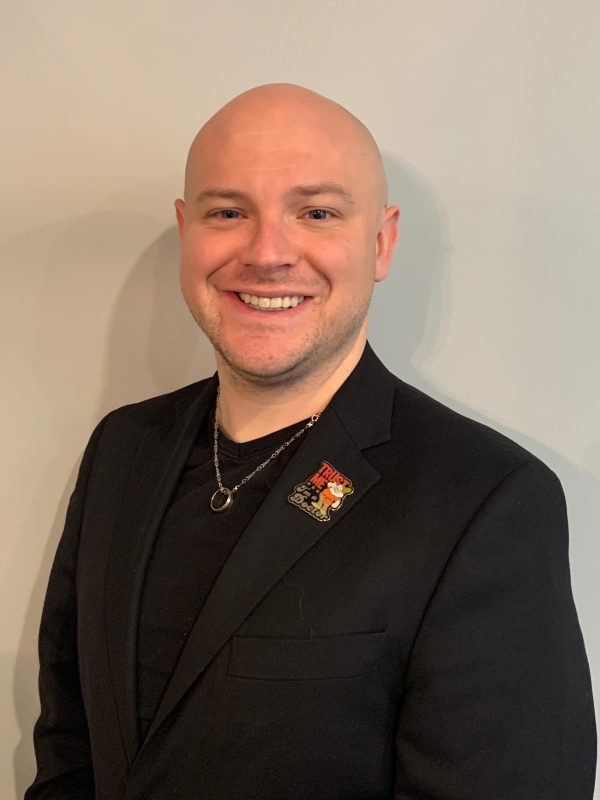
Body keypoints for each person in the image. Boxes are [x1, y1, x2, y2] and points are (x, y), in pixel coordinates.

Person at [26, 84, 596, 800]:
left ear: (381, 243)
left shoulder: (486, 500)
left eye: (317, 213)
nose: (267, 253)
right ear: (186, 230)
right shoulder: (123, 448)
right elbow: (70, 747)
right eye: (228, 212)